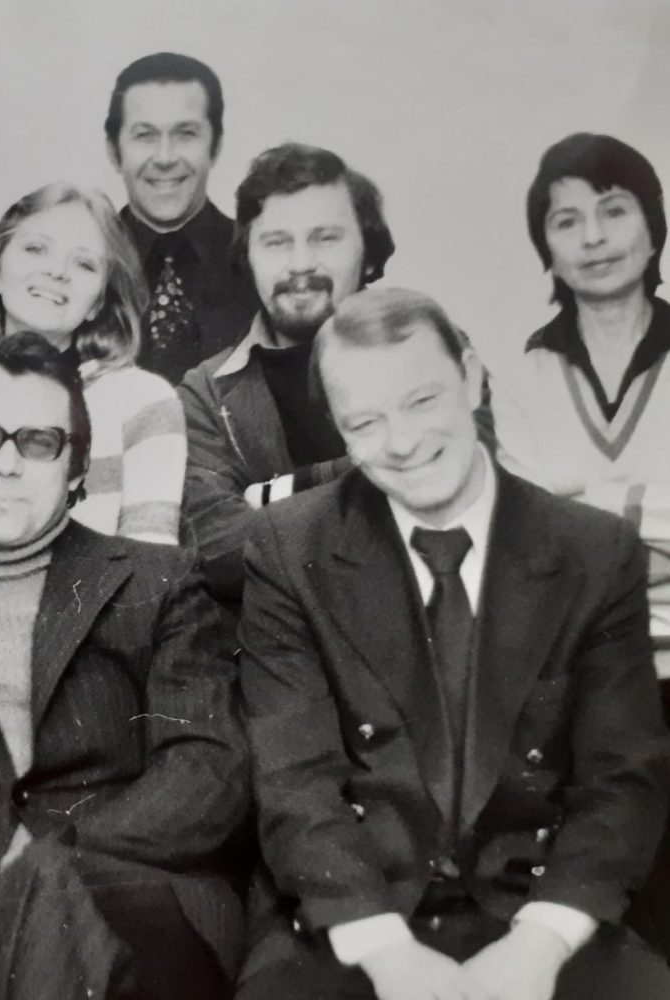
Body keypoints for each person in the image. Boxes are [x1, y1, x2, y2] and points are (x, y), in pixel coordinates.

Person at [236, 286, 670, 1000]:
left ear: (470, 379)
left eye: (421, 401)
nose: (402, 442)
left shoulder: (594, 553)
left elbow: (622, 782)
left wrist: (540, 944)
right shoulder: (288, 548)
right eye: (365, 422)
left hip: (541, 908)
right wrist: (386, 953)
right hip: (354, 913)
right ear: (338, 429)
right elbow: (294, 782)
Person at [0, 332, 249, 1000]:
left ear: (76, 470)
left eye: (38, 443)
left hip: (132, 900)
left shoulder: (156, 581)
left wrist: (37, 868)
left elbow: (207, 772)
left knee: (49, 905)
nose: (6, 464)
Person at [179, 142, 393, 619]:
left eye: (325, 238)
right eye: (277, 242)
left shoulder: (426, 346)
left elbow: (458, 491)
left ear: (367, 250)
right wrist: (366, 478)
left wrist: (271, 496)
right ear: (248, 255)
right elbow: (218, 551)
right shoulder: (205, 393)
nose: (300, 264)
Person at [495, 133, 670, 687]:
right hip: (577, 673)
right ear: (546, 248)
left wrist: (585, 514)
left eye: (613, 211)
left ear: (653, 228)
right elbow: (532, 545)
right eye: (567, 221)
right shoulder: (518, 379)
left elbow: (568, 539)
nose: (593, 238)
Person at [0, 182, 184, 545]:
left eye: (84, 264)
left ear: (98, 302)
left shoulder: (143, 401)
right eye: (36, 248)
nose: (57, 271)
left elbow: (151, 557)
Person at [105, 52, 255, 383]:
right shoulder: (85, 264)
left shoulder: (257, 259)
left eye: (185, 133)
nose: (165, 158)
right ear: (114, 150)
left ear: (215, 145)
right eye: (145, 135)